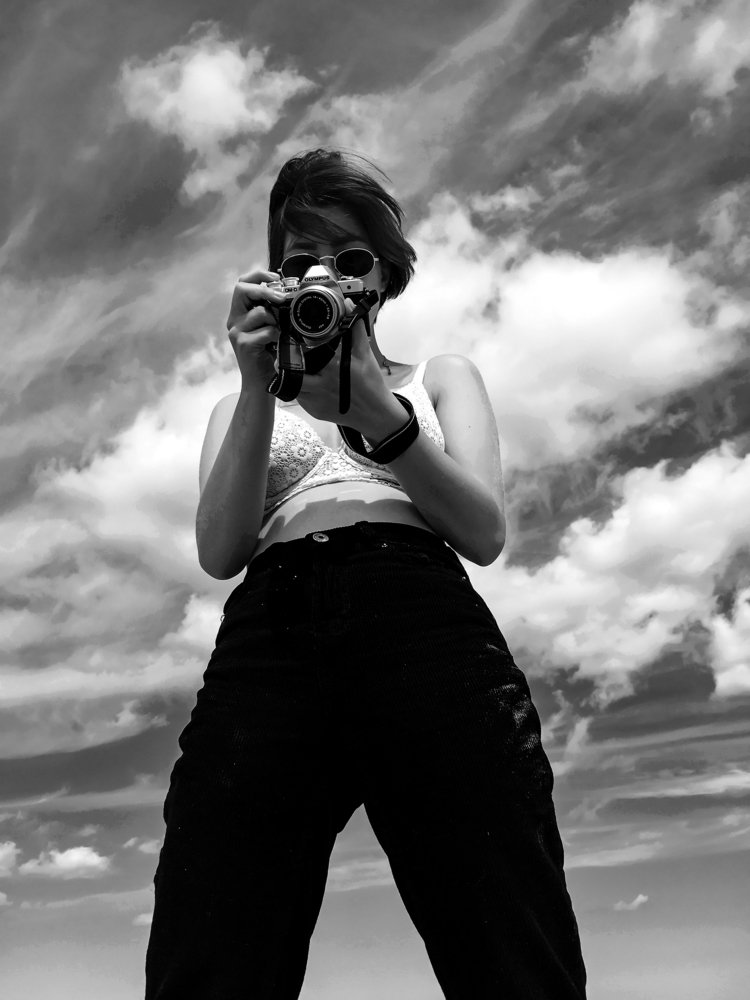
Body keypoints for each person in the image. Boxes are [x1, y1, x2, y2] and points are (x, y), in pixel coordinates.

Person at [145, 148, 587, 999]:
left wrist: (379, 414)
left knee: (505, 918)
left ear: (385, 276)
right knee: (213, 920)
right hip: (271, 626)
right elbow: (220, 550)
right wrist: (255, 384)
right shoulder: (237, 405)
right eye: (298, 261)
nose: (324, 278)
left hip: (420, 610)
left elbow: (483, 530)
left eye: (350, 258)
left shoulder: (439, 376)